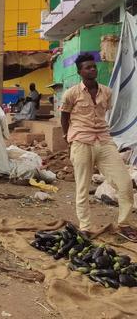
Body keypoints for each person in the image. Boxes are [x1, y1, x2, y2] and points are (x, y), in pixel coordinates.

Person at [61, 53, 137, 241]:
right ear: (80, 72)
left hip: (104, 141)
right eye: (87, 67)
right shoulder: (71, 93)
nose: (92, 69)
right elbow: (64, 116)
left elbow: (105, 113)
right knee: (82, 187)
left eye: (93, 66)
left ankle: (124, 224)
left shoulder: (106, 92)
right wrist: (68, 138)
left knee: (124, 183)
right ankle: (85, 227)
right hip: (81, 141)